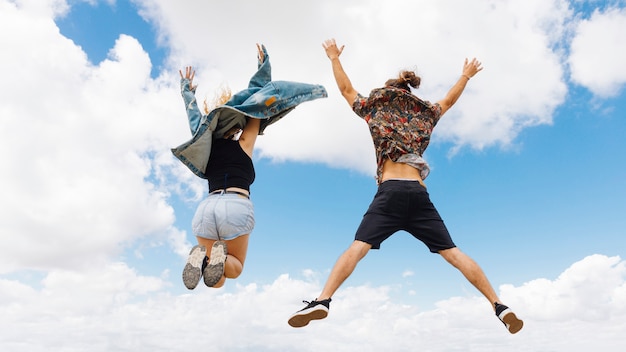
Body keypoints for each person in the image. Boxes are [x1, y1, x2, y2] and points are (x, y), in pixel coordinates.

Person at [288, 39, 523, 334]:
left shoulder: (376, 107)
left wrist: (334, 57)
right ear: (409, 92)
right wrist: (466, 75)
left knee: (357, 248)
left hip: (391, 192)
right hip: (418, 193)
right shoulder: (425, 114)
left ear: (388, 90)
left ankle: (323, 300)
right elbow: (448, 101)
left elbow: (347, 91)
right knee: (452, 252)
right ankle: (499, 305)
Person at [175, 44, 327, 289]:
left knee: (218, 281)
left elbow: (196, 122)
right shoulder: (244, 143)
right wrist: (263, 67)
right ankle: (213, 257)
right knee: (234, 266)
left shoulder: (207, 150)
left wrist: (187, 91)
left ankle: (204, 258)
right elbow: (257, 105)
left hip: (206, 208)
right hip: (234, 206)